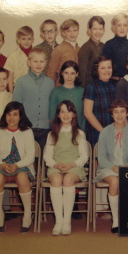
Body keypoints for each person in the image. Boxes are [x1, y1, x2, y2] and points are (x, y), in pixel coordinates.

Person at [0, 101, 36, 233]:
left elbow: (30, 157)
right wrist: (2, 165)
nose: (11, 118)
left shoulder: (27, 132)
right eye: (8, 114)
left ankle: (27, 214)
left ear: (21, 116)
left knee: (22, 178)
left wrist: (16, 165)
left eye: (15, 114)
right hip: (2, 165)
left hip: (21, 165)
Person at [94, 100, 128, 233]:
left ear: (127, 114)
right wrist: (114, 167)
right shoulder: (105, 132)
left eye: (122, 112)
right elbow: (101, 158)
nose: (119, 115)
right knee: (115, 181)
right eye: (116, 112)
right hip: (107, 169)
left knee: (125, 180)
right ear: (112, 114)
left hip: (127, 169)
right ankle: (116, 220)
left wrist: (125, 168)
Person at [44, 100, 88, 236]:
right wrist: (55, 165)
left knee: (68, 180)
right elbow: (47, 157)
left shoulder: (79, 134)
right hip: (56, 166)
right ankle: (59, 221)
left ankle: (67, 221)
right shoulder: (52, 134)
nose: (65, 114)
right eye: (62, 111)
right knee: (56, 180)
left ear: (74, 114)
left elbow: (84, 156)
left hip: (74, 167)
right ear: (58, 115)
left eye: (69, 111)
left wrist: (72, 165)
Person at [12, 48, 55, 151]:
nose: (38, 64)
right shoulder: (21, 81)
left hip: (45, 128)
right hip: (26, 128)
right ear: (29, 62)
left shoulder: (50, 83)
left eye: (41, 61)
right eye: (35, 61)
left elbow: (52, 107)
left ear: (46, 63)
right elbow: (16, 106)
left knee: (42, 158)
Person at [83, 56, 116, 146]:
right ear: (97, 70)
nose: (107, 70)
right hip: (97, 131)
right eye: (103, 68)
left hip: (114, 132)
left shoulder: (116, 85)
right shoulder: (91, 86)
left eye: (109, 67)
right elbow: (87, 113)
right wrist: (103, 131)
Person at [49, 60, 85, 130]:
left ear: (77, 74)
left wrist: (82, 131)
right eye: (66, 73)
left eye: (72, 73)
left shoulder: (82, 92)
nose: (69, 76)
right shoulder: (55, 92)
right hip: (60, 132)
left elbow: (84, 116)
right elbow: (52, 115)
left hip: (79, 132)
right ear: (62, 73)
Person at [47, 19, 80, 86]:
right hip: (61, 87)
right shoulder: (58, 50)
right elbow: (51, 74)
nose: (72, 33)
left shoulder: (80, 49)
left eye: (74, 30)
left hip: (75, 86)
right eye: (68, 31)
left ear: (78, 31)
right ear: (63, 33)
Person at [4, 25, 35, 92]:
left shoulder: (37, 54)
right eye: (23, 39)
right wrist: (11, 93)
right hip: (18, 88)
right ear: (18, 40)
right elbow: (10, 78)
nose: (26, 41)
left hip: (34, 88)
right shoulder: (13, 56)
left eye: (29, 39)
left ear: (33, 40)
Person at [102, 13, 128, 80]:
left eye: (125, 25)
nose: (122, 28)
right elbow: (105, 66)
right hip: (113, 82)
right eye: (119, 25)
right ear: (113, 27)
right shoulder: (108, 45)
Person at [78, 16, 105, 87]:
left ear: (104, 30)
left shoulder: (104, 46)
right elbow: (82, 73)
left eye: (100, 29)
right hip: (89, 86)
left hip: (102, 84)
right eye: (95, 29)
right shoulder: (85, 48)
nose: (98, 32)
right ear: (89, 31)